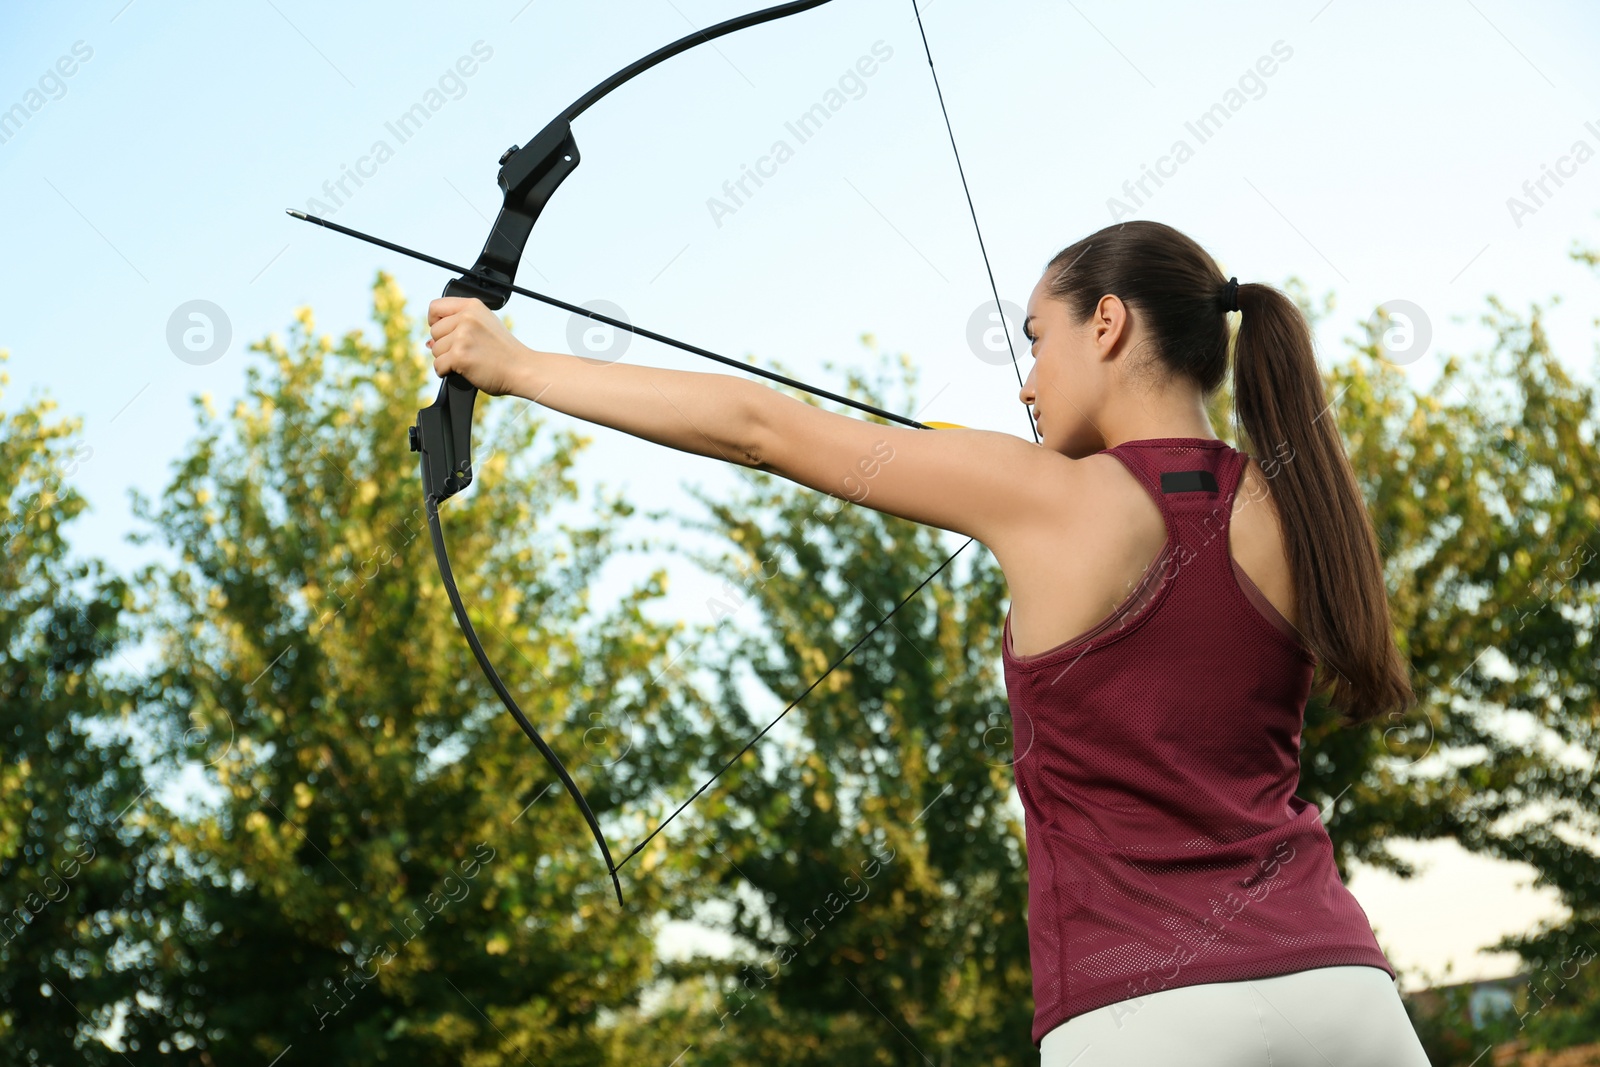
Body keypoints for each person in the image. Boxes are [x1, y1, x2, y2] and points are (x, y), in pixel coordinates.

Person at [425, 219, 1433, 1066]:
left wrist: (510, 364)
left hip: (1147, 1012)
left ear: (1109, 324)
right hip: (1342, 993)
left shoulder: (1047, 495)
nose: (1029, 383)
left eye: (1037, 340)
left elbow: (756, 427)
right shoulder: (1298, 507)